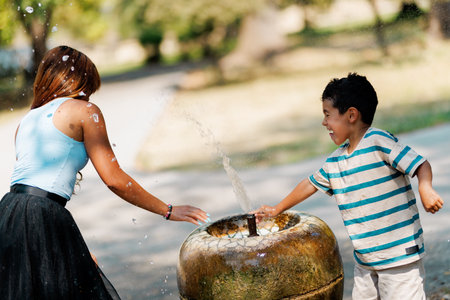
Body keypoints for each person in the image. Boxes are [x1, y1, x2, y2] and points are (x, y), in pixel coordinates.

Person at [0, 45, 210, 299]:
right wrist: (167, 210)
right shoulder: (86, 112)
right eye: (88, 87)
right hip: (42, 216)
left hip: (8, 213)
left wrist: (73, 248)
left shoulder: (26, 122)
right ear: (80, 81)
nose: (88, 96)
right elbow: (114, 180)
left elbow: (40, 190)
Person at [254, 73, 444, 300]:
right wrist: (277, 209)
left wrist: (425, 187)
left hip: (399, 257)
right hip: (365, 259)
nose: (324, 122)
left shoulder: (378, 142)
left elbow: (420, 164)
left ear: (351, 115)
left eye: (328, 115)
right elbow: (309, 184)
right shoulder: (335, 161)